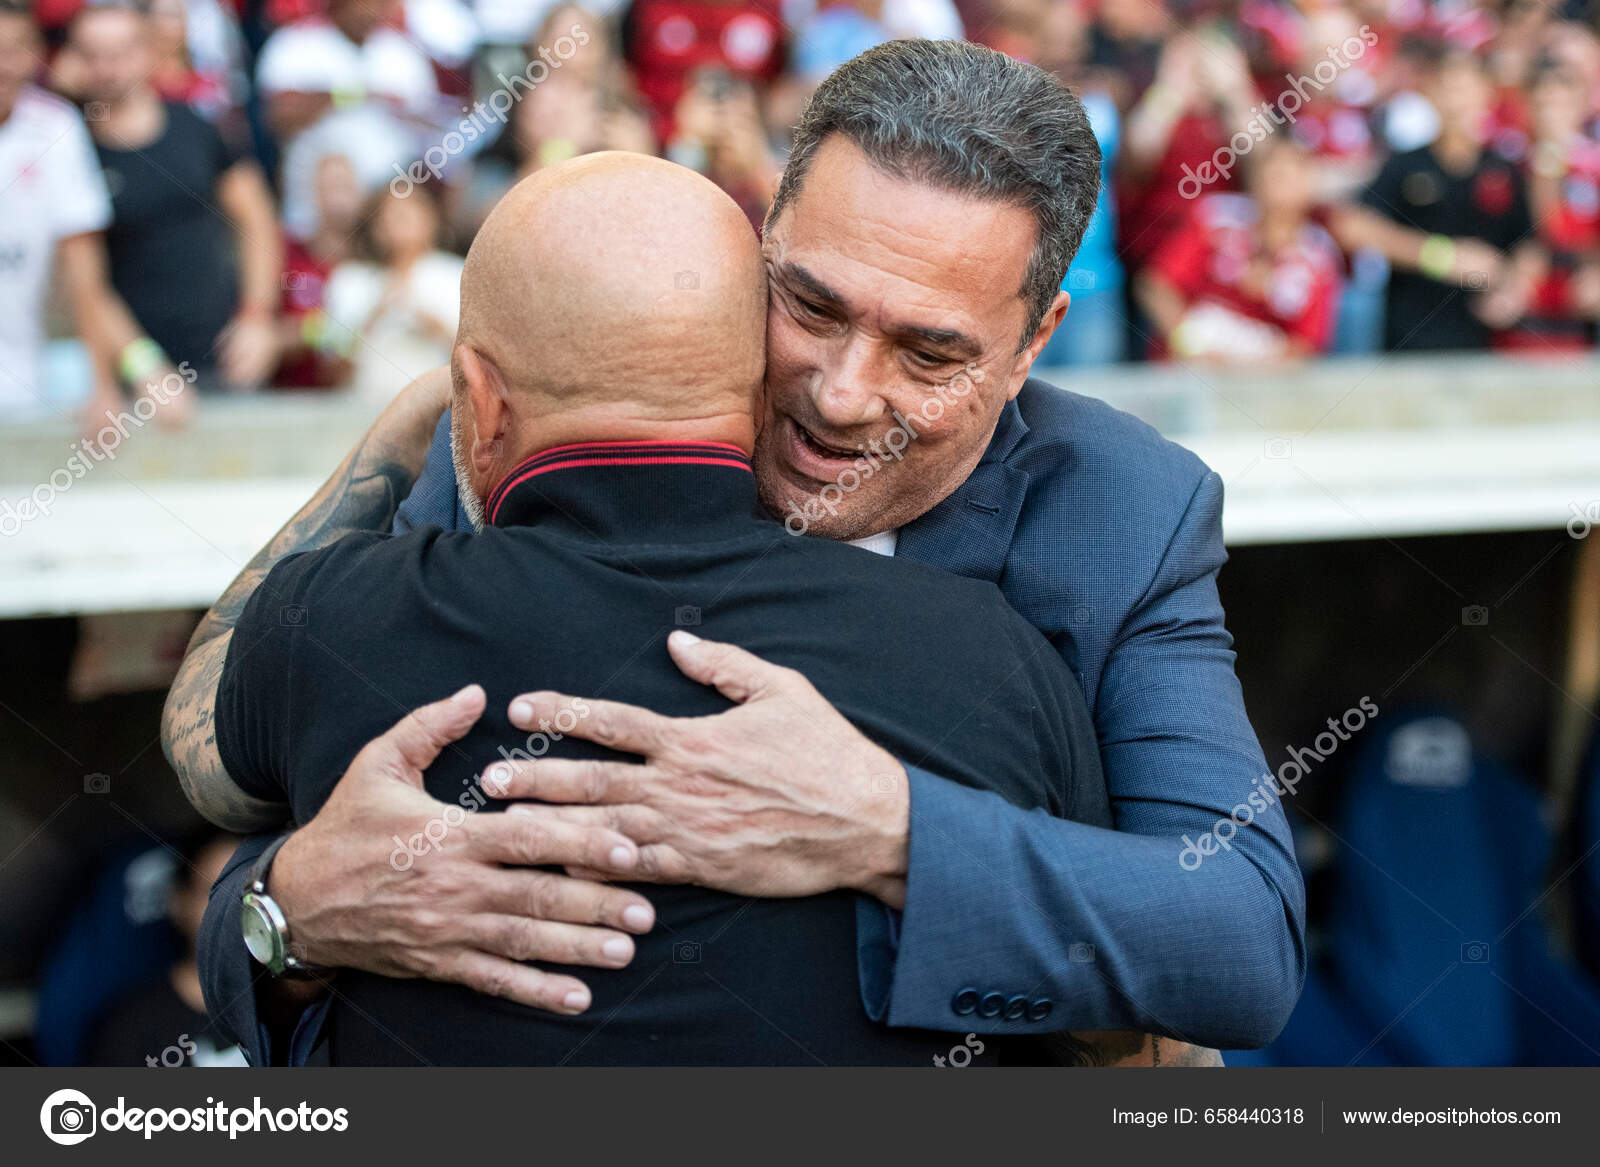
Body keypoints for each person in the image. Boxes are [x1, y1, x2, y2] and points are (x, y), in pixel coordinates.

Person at [176, 40, 1304, 1066]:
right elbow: (293, 801)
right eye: (809, 306)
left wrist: (889, 832)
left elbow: (1238, 942)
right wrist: (292, 915)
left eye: (928, 353)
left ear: (1033, 345)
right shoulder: (560, 401)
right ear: (757, 241)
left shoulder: (1117, 511)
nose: (839, 393)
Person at [67, 3, 282, 394]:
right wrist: (143, 365)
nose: (107, 67)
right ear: (74, 60)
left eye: (121, 52)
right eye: (92, 55)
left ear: (147, 51)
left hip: (227, 358)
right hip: (131, 380)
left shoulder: (197, 127)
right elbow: (83, 280)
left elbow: (257, 219)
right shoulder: (71, 152)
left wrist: (257, 317)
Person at [0, 0, 182, 427]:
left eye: (15, 50)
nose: (5, 66)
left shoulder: (55, 126)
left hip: (27, 380)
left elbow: (84, 267)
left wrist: (102, 384)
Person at [1332, 45, 1547, 353]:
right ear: (1431, 94)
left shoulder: (1505, 169)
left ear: (1486, 94)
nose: (1457, 100)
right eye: (1447, 87)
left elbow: (1530, 242)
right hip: (1412, 338)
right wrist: (1439, 255)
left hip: (1488, 342)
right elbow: (1353, 226)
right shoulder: (1404, 164)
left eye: (1466, 87)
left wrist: (1515, 289)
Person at [1136, 139, 1343, 363]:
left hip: (1263, 378)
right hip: (1191, 364)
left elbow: (1305, 347)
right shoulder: (1216, 219)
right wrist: (1189, 343)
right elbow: (1155, 286)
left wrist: (1244, 371)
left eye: (1288, 176)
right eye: (1271, 173)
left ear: (1309, 185)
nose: (1276, 184)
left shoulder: (1318, 257)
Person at [85, 832, 246, 1068]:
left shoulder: (299, 1012)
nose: (234, 908)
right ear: (179, 903)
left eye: (248, 890)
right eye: (215, 892)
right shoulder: (130, 1032)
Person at [320, 186, 462, 403]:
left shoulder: (455, 275)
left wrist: (435, 328)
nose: (402, 220)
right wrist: (373, 317)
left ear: (431, 220)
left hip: (436, 413)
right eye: (393, 213)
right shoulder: (350, 281)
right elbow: (332, 367)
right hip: (360, 411)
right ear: (376, 228)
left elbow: (474, 361)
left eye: (410, 211)